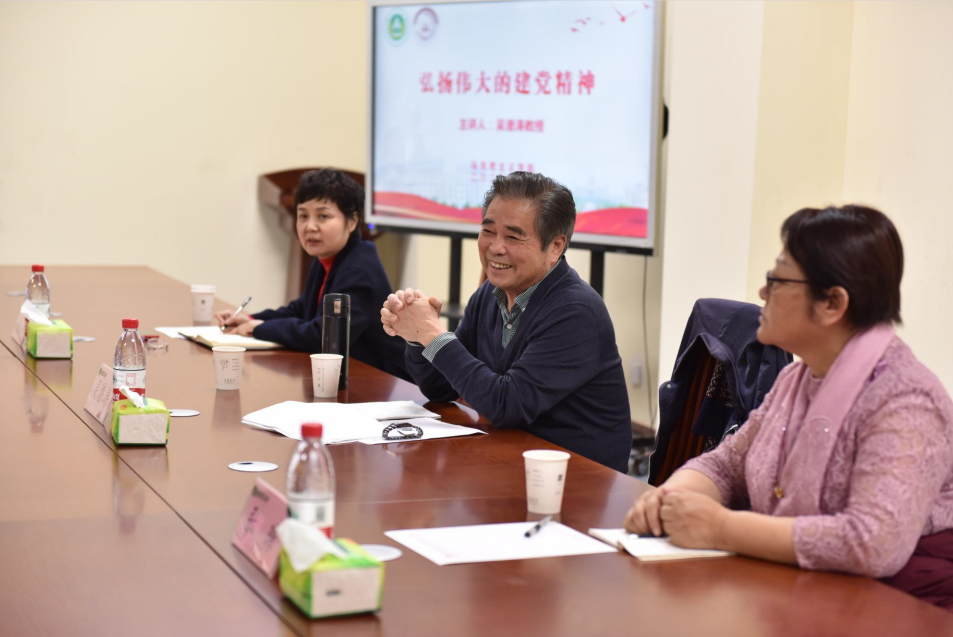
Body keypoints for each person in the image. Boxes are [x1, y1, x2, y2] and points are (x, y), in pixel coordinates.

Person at [624, 205, 953, 610]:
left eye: (776, 280)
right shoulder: (797, 378)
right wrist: (669, 500)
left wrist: (721, 528)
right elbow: (727, 464)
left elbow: (872, 543)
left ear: (832, 303)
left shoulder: (906, 400)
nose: (762, 293)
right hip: (802, 590)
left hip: (898, 608)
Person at [380, 171, 632, 472]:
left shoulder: (576, 311)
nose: (495, 247)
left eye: (513, 237)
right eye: (488, 231)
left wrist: (434, 336)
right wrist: (417, 335)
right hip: (510, 458)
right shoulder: (490, 294)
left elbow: (507, 405)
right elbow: (440, 388)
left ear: (555, 246)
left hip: (575, 477)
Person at [217, 168, 409, 381]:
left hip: (381, 382)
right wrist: (252, 319)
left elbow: (323, 335)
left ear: (352, 221)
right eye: (303, 216)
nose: (310, 226)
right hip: (344, 375)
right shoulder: (328, 257)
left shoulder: (358, 271)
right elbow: (301, 309)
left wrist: (259, 328)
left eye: (323, 216)